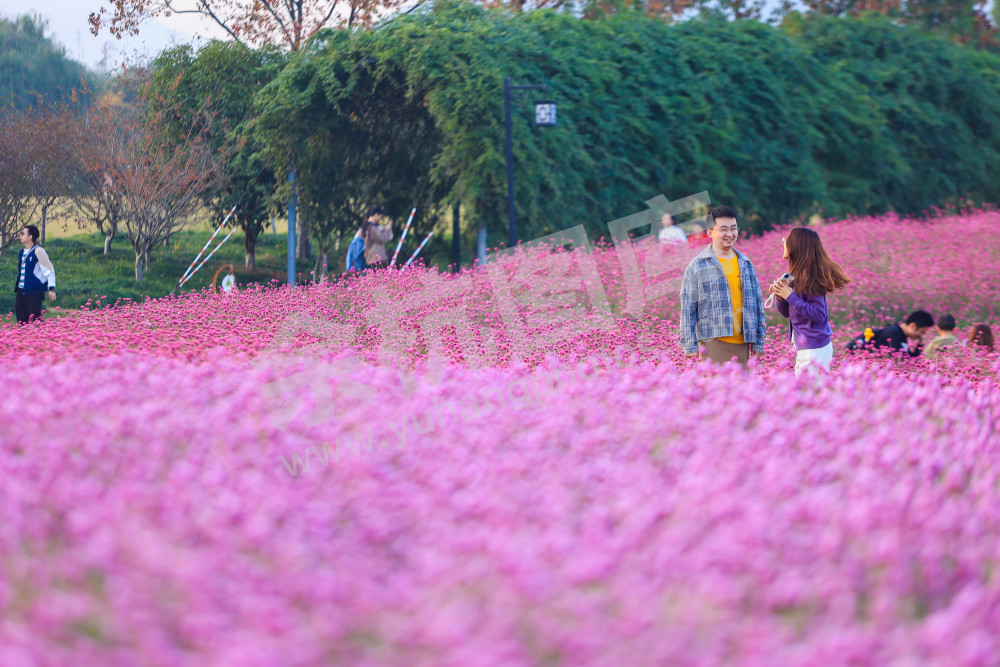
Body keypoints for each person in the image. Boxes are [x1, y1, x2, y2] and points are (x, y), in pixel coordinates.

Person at [679, 206, 766, 366]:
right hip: (713, 341)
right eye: (723, 229)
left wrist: (758, 341)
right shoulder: (697, 266)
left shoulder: (745, 263)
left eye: (733, 229)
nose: (730, 234)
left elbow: (757, 304)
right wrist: (689, 345)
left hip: (743, 342)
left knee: (743, 390)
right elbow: (688, 308)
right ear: (710, 232)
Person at [769, 228, 850, 375]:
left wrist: (790, 296)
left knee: (809, 394)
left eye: (786, 241)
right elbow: (787, 313)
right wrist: (780, 296)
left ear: (796, 246)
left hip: (814, 348)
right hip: (805, 346)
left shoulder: (810, 278)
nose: (783, 243)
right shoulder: (794, 276)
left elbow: (819, 314)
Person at [13, 225, 56, 324]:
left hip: (34, 291)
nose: (20, 236)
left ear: (30, 237)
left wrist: (51, 289)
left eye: (23, 233)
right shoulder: (21, 252)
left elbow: (49, 270)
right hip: (21, 290)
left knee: (35, 319)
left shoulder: (39, 251)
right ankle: (23, 338)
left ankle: (41, 338)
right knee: (21, 319)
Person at [846, 310, 934, 357]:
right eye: (921, 332)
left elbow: (909, 359)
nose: (921, 335)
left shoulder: (901, 335)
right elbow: (901, 360)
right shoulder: (893, 333)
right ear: (913, 326)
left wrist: (920, 345)